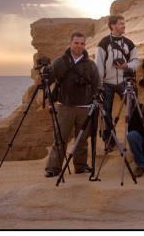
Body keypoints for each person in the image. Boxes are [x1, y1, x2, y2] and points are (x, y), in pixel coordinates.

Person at [36, 32, 100, 178]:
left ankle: (80, 166)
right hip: (65, 106)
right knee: (60, 138)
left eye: (82, 44)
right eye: (76, 43)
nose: (79, 46)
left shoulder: (90, 64)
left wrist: (96, 100)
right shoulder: (60, 62)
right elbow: (48, 80)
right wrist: (41, 82)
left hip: (85, 107)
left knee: (82, 139)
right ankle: (53, 168)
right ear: (71, 43)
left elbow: (97, 84)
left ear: (85, 45)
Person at [95, 15, 138, 144]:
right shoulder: (103, 43)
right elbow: (99, 65)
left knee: (133, 108)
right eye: (121, 23)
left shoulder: (129, 43)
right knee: (106, 112)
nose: (124, 25)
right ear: (112, 26)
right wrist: (99, 85)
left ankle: (134, 135)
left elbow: (136, 62)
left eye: (124, 23)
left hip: (124, 81)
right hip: (107, 83)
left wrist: (126, 65)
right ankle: (109, 139)